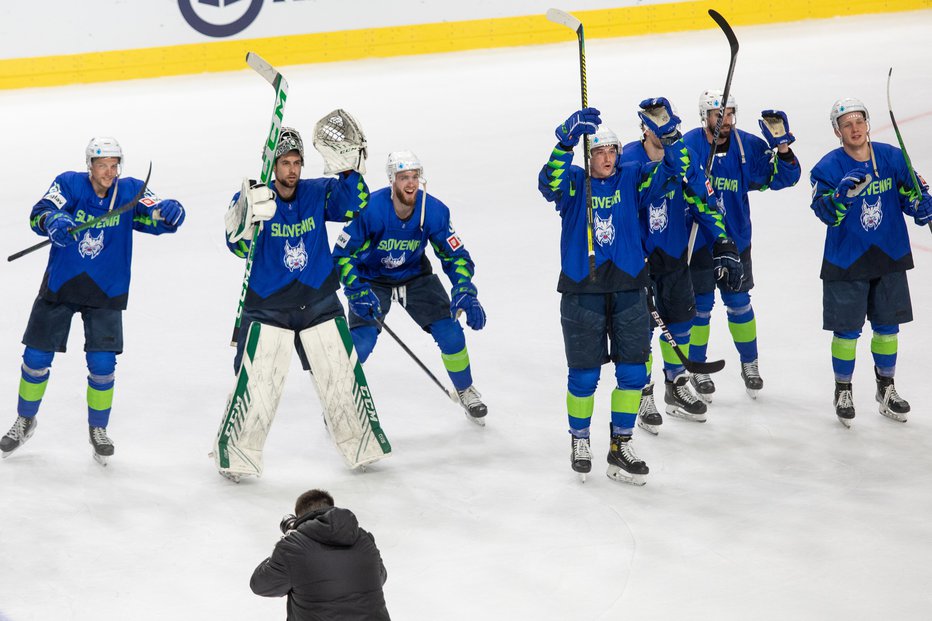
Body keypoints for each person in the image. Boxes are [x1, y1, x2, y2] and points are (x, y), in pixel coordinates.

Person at [213, 119, 389, 481]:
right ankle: (236, 453)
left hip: (318, 299)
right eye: (285, 163)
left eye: (296, 163)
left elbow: (355, 205)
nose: (291, 170)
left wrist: (350, 168)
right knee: (257, 382)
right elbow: (237, 246)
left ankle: (359, 443)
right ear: (273, 166)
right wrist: (247, 216)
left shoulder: (316, 192)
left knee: (340, 373)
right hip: (267, 305)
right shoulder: (252, 196)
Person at [0, 137, 185, 465]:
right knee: (36, 356)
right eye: (103, 166)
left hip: (106, 289)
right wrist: (53, 221)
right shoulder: (69, 184)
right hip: (62, 284)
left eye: (114, 166)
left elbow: (154, 218)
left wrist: (172, 212)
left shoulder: (130, 190)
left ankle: (98, 429)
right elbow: (38, 214)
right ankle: (25, 420)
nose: (110, 172)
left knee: (102, 365)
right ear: (90, 166)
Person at [537, 101, 690, 485]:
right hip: (581, 290)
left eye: (612, 151)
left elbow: (678, 170)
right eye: (598, 152)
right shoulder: (574, 182)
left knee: (633, 372)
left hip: (629, 288)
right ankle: (580, 439)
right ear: (587, 156)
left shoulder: (633, 176)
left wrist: (670, 136)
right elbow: (547, 183)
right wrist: (564, 142)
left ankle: (620, 445)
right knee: (585, 377)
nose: (606, 158)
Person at [332, 150, 488, 425]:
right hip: (373, 279)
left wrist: (464, 287)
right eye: (404, 177)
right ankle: (336, 398)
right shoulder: (370, 209)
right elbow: (343, 255)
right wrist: (354, 288)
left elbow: (455, 255)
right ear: (392, 180)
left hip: (416, 277)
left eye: (415, 176)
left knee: (451, 333)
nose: (411, 183)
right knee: (362, 342)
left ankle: (465, 389)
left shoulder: (434, 211)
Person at [620, 97, 743, 435]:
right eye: (655, 122)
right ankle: (644, 393)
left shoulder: (683, 159)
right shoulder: (626, 161)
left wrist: (723, 241)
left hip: (675, 257)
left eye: (667, 122)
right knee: (641, 332)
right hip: (638, 263)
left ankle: (675, 386)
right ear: (645, 127)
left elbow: (703, 201)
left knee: (682, 322)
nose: (662, 128)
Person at [809, 98, 932, 427]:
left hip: (889, 255)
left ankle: (886, 388)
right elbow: (824, 212)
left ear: (867, 123)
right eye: (847, 124)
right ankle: (843, 389)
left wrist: (923, 205)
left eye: (859, 121)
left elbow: (913, 193)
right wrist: (840, 198)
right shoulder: (827, 168)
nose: (855, 128)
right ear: (838, 130)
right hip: (846, 259)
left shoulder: (892, 156)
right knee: (847, 332)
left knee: (887, 329)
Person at [683, 89, 801, 400]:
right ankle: (697, 367)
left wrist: (784, 150)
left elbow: (784, 178)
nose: (725, 120)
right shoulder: (689, 145)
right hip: (699, 244)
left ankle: (750, 364)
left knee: (739, 303)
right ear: (705, 117)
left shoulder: (747, 145)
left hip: (735, 241)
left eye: (730, 113)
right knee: (701, 308)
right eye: (717, 114)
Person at [251, 489, 390, 620]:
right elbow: (380, 577)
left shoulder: (292, 547)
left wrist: (285, 542)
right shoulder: (364, 538)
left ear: (300, 517)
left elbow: (260, 584)